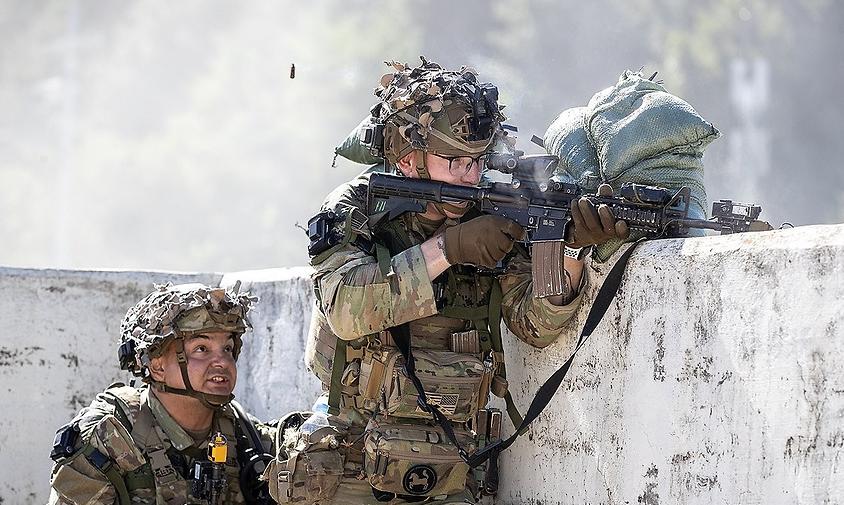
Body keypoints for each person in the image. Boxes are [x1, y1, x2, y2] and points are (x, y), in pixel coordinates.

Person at [266, 58, 629, 505]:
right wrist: (447, 250)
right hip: (351, 458)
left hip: (451, 463)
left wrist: (569, 247)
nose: (469, 176)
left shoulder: (492, 213)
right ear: (407, 158)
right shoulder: (363, 206)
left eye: (477, 162)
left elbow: (536, 325)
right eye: (453, 161)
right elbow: (344, 307)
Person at [47, 283, 276, 505]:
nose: (222, 362)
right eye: (201, 349)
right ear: (157, 367)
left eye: (227, 348)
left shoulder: (246, 436)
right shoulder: (109, 437)